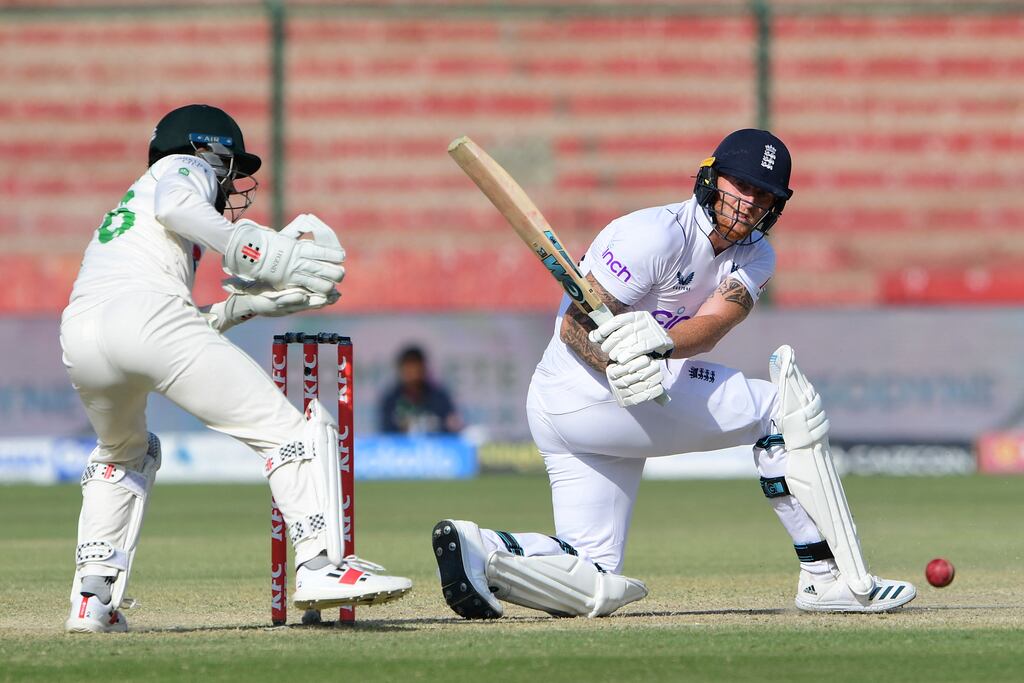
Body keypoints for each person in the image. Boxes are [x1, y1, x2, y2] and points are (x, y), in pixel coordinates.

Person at [431, 129, 916, 620]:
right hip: (583, 392)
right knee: (779, 409)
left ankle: (480, 548)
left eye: (764, 194)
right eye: (740, 186)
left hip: (593, 410)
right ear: (711, 177)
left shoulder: (756, 254)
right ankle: (826, 577)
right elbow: (575, 327)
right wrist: (616, 364)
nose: (750, 203)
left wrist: (659, 344)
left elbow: (711, 326)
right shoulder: (652, 234)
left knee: (592, 572)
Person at [60, 104, 411, 633]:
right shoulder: (182, 169)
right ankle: (321, 566)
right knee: (290, 431)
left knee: (123, 452)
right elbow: (178, 224)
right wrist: (265, 253)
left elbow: (151, 322)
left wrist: (245, 307)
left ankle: (91, 602)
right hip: (145, 318)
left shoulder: (129, 211)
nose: (232, 178)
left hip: (80, 335)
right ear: (207, 150)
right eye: (229, 163)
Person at [378, 345, 462, 434]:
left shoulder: (439, 397)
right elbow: (387, 433)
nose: (412, 373)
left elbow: (450, 428)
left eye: (416, 367)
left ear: (423, 368)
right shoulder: (391, 399)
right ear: (400, 369)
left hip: (433, 446)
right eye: (408, 368)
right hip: (401, 447)